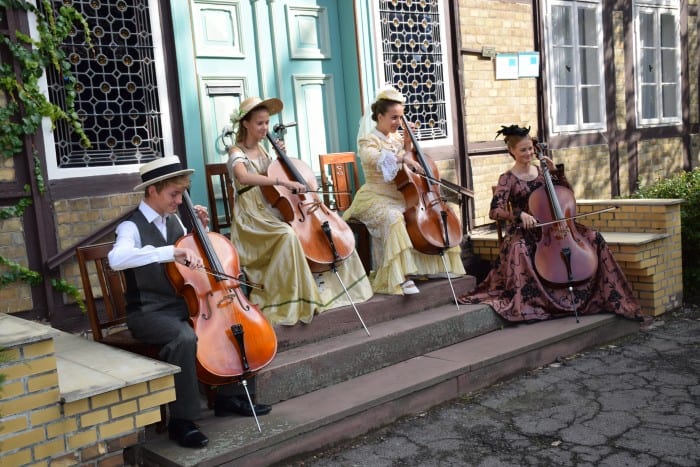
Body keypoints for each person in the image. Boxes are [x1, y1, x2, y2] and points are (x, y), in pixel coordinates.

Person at [108, 156, 271, 449]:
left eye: (182, 192)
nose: (179, 199)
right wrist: (167, 251)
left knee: (230, 322)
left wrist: (198, 232)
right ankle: (181, 422)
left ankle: (229, 398)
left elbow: (190, 265)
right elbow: (117, 259)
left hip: (185, 304)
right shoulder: (130, 227)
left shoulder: (175, 221)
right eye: (174, 193)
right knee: (184, 337)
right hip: (149, 311)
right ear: (152, 191)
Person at [457, 124, 645, 323]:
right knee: (520, 249)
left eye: (530, 148)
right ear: (511, 151)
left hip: (554, 227)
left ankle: (605, 294)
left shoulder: (542, 171)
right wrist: (519, 215)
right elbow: (495, 211)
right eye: (523, 150)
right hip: (526, 230)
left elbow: (566, 195)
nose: (529, 153)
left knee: (594, 237)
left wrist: (555, 173)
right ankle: (536, 302)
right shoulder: (507, 179)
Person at [226, 96, 373, 326]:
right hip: (251, 217)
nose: (265, 128)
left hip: (270, 209)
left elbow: (275, 183)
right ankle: (290, 298)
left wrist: (280, 159)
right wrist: (280, 182)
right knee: (288, 236)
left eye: (266, 123)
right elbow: (243, 176)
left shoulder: (265, 149)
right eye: (259, 123)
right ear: (245, 124)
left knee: (317, 231)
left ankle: (319, 287)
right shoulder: (236, 150)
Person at [341, 86, 465, 295]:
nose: (398, 122)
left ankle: (432, 267)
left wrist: (408, 145)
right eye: (393, 117)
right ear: (380, 116)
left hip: (400, 195)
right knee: (395, 218)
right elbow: (374, 158)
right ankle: (401, 277)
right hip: (375, 196)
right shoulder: (368, 140)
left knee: (425, 216)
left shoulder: (398, 138)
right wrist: (402, 156)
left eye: (401, 117)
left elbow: (408, 169)